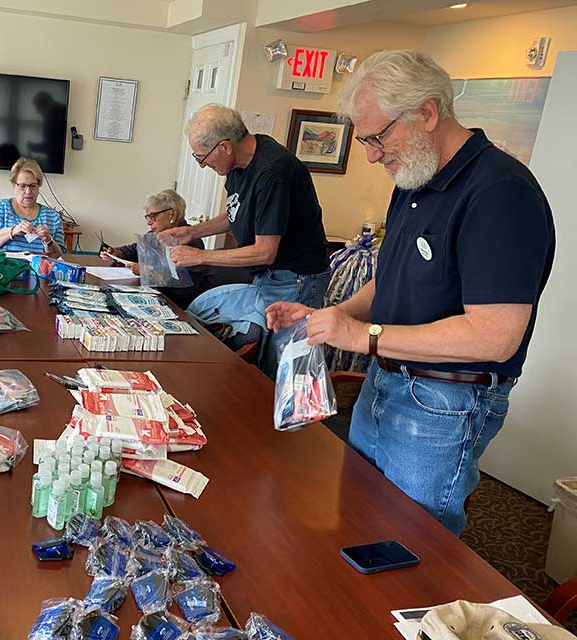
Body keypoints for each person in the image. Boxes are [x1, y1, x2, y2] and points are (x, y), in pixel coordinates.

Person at [266, 50, 555, 536]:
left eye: (378, 136)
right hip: (385, 381)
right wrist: (332, 315)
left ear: (426, 112)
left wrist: (363, 336)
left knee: (412, 544)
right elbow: (391, 279)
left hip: (443, 402)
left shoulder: (500, 193)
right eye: (365, 140)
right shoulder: (413, 177)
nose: (372, 154)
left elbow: (494, 338)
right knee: (357, 521)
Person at [159, 104, 331, 349]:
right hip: (268, 275)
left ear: (226, 146)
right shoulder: (238, 163)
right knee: (263, 351)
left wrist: (200, 256)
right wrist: (192, 232)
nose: (201, 165)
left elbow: (265, 251)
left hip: (295, 278)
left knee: (282, 359)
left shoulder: (273, 172)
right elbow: (237, 211)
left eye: (202, 157)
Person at [99, 189, 251, 309]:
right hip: (157, 298)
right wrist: (115, 252)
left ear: (172, 214)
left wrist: (147, 271)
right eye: (147, 217)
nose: (149, 222)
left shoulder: (190, 239)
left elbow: (183, 286)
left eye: (153, 216)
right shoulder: (155, 235)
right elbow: (134, 249)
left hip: (184, 306)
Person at [0, 157, 66, 257]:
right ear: (14, 185)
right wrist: (13, 230)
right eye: (22, 186)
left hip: (38, 270)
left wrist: (48, 239)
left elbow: (60, 256)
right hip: (4, 269)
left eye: (33, 186)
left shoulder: (52, 216)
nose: (28, 192)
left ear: (39, 186)